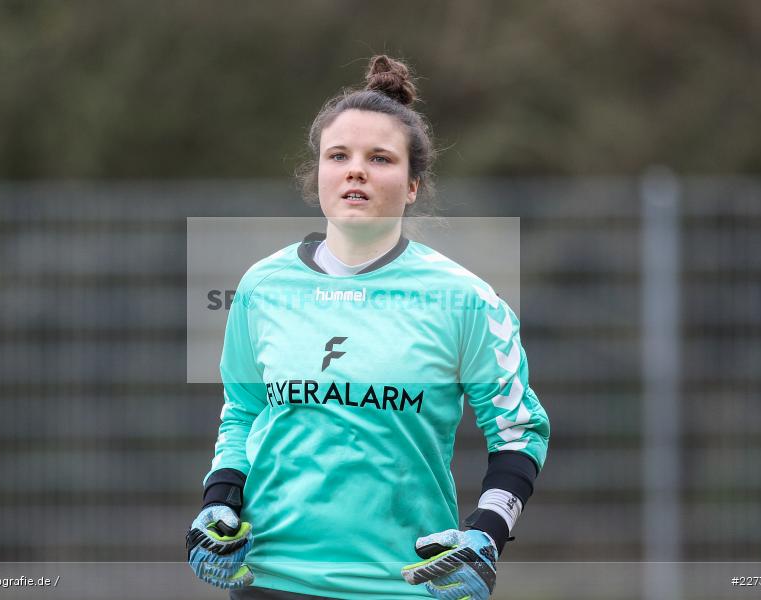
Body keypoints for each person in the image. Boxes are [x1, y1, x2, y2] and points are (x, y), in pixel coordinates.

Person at [186, 55, 550, 600]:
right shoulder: (261, 286)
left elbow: (520, 432)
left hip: (407, 585)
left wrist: (488, 533)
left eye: (380, 158)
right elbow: (243, 410)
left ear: (412, 185)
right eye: (339, 156)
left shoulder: (466, 299)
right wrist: (217, 501)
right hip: (270, 581)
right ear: (319, 175)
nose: (356, 170)